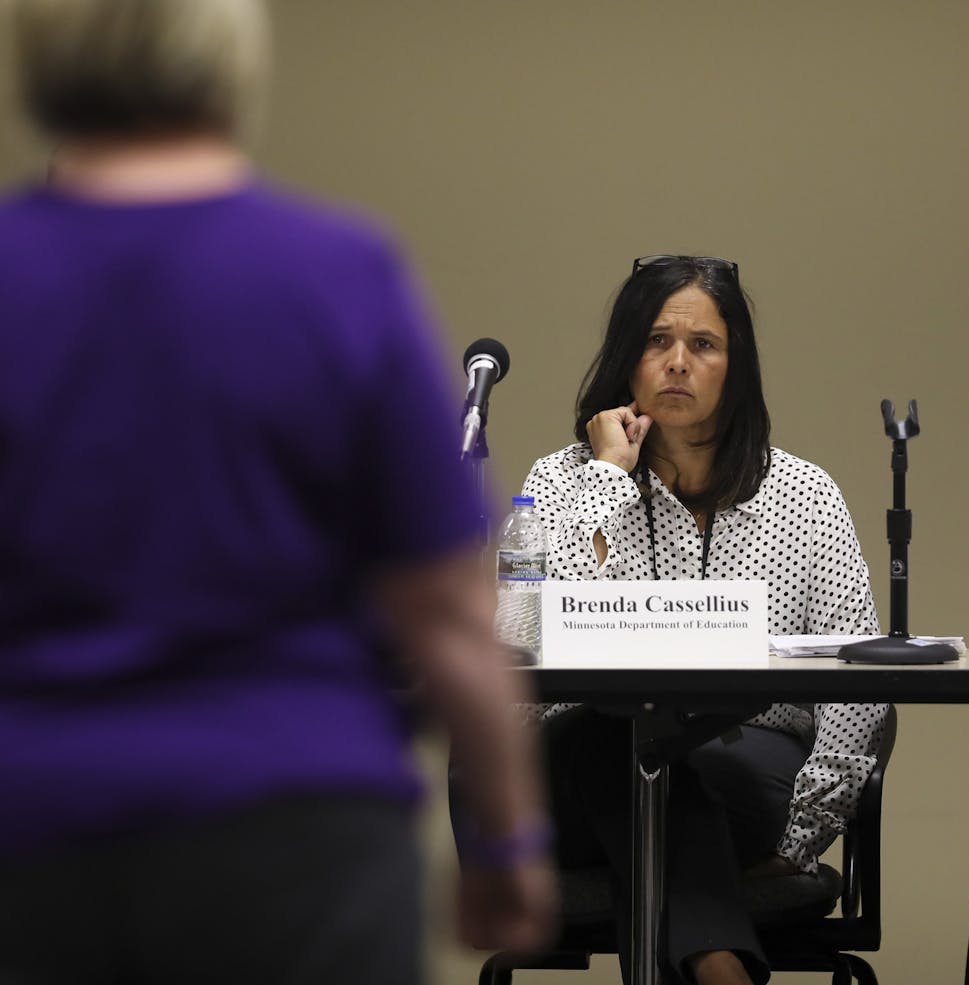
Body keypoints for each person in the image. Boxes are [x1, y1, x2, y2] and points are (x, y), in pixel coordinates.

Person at [0, 1, 555, 982]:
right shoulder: (335, 274)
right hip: (297, 835)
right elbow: (445, 612)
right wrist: (506, 844)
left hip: (32, 823)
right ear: (228, 64)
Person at [517, 255, 888, 985]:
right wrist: (605, 482)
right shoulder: (559, 482)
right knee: (616, 738)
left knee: (651, 795)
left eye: (703, 345)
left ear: (735, 365)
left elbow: (857, 676)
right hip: (575, 761)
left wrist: (805, 834)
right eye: (656, 341)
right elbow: (522, 641)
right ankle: (723, 968)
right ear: (626, 356)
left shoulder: (805, 496)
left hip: (746, 771)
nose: (678, 362)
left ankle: (716, 961)